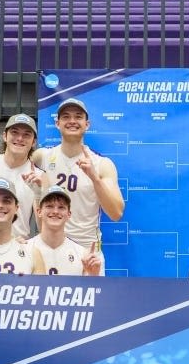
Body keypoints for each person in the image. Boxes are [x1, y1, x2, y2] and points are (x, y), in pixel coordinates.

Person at [34, 98, 124, 258]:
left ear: (87, 124)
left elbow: (116, 213)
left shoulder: (102, 164)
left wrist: (94, 178)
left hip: (86, 251)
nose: (72, 121)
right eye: (66, 117)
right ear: (57, 123)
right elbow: (13, 164)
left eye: (78, 117)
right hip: (50, 248)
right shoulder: (42, 157)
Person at [0, 113, 45, 239]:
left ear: (34, 142)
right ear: (5, 136)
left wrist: (39, 193)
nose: (20, 138)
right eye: (14, 132)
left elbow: (43, 227)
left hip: (17, 246)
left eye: (26, 134)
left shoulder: (39, 176)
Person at [28, 186, 104, 276]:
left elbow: (94, 289)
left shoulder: (83, 255)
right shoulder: (25, 249)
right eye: (49, 206)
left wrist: (93, 276)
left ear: (69, 214)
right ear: (39, 212)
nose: (55, 211)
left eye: (61, 207)